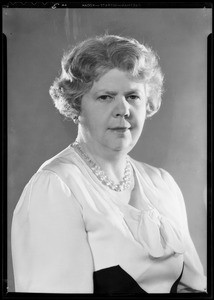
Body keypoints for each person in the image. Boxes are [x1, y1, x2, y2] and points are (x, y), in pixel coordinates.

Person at [11, 34, 207, 294]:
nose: (123, 109)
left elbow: (194, 288)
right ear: (77, 105)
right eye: (106, 97)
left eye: (133, 96)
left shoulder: (162, 183)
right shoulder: (56, 187)